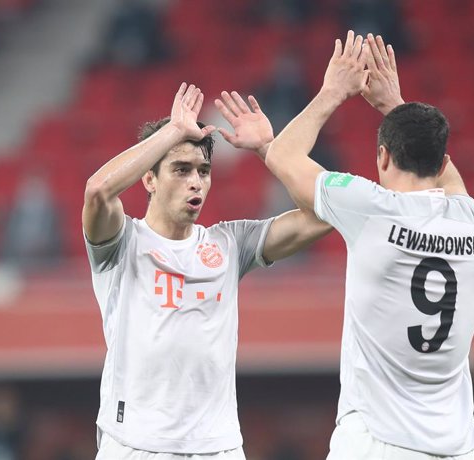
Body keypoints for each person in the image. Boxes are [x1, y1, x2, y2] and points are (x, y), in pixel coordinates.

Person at [262, 31, 474, 459]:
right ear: (441, 163)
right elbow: (450, 179)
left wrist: (333, 92)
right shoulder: (471, 221)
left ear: (382, 157)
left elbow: (281, 155)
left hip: (376, 442)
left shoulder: (369, 208)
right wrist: (393, 103)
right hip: (455, 447)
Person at [83, 82, 331, 459]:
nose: (195, 182)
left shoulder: (230, 244)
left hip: (218, 448)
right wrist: (174, 132)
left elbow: (322, 216)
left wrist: (269, 149)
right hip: (135, 444)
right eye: (180, 170)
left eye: (203, 170)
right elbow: (98, 191)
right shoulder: (122, 241)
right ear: (149, 179)